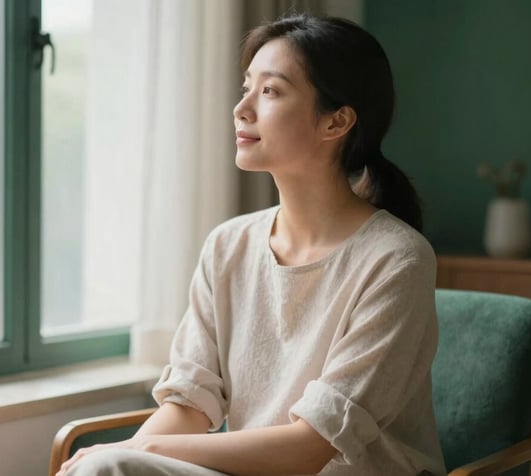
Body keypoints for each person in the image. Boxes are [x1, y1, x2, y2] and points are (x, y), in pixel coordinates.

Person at [57, 14, 445, 476]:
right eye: (247, 87)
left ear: (336, 122)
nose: (242, 108)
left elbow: (308, 449)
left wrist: (140, 457)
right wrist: (122, 457)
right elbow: (190, 404)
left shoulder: (397, 259)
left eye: (271, 91)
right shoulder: (228, 246)